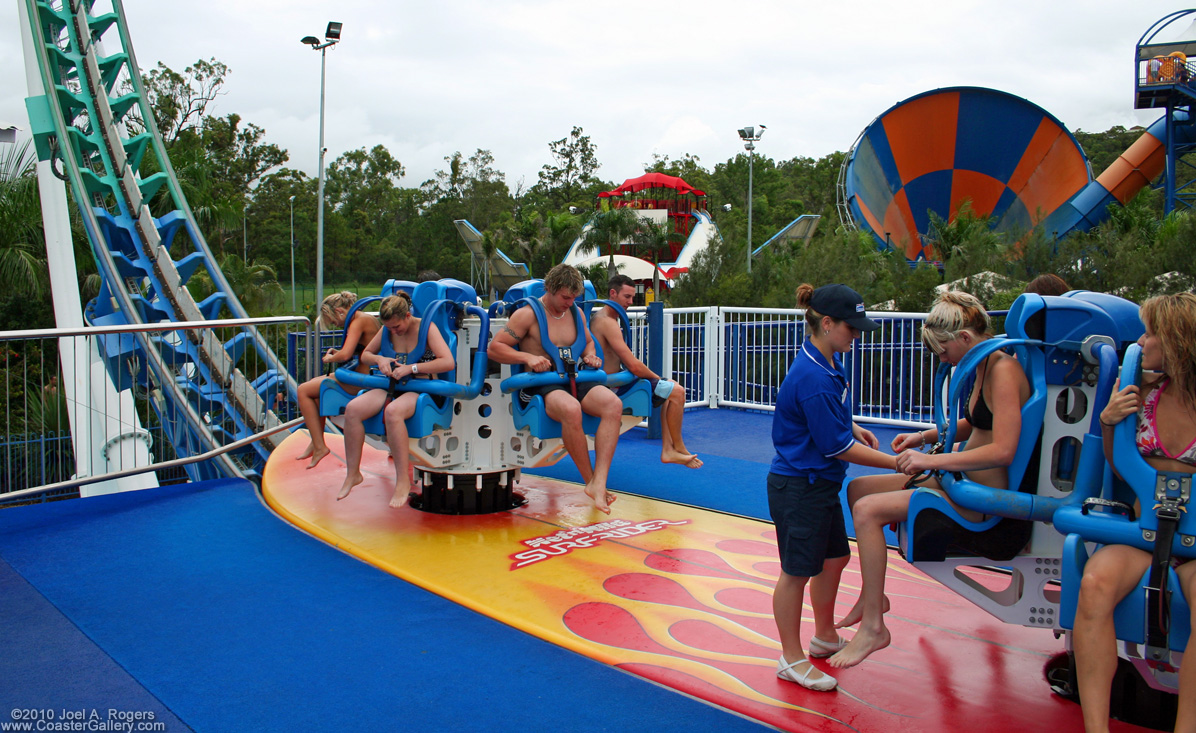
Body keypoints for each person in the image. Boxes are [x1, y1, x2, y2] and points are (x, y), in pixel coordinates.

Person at [828, 290, 1031, 669]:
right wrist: (925, 437)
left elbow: (1002, 447)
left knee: (870, 511)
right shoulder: (985, 365)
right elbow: (980, 422)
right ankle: (874, 596)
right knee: (857, 489)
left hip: (981, 498)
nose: (942, 360)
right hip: (959, 481)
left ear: (965, 339)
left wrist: (935, 461)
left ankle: (874, 626)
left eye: (942, 352)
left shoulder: (1003, 369)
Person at [1073, 293, 1196, 733]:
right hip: (1147, 534)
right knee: (1094, 584)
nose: (1141, 341)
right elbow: (1117, 460)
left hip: (1194, 545)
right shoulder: (1141, 393)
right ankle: (1095, 727)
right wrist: (1108, 422)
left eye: (1150, 333)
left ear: (1178, 339)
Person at [769, 283, 896, 692]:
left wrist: (851, 424)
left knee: (834, 559)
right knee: (796, 572)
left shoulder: (824, 361)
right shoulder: (814, 375)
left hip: (818, 485)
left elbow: (831, 422)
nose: (856, 336)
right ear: (826, 323)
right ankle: (790, 658)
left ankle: (824, 634)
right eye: (851, 328)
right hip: (799, 486)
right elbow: (838, 447)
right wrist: (900, 463)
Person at [488, 264, 623, 514]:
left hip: (573, 377)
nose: (569, 302)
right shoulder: (527, 314)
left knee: (613, 405)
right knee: (571, 409)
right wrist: (526, 359)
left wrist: (591, 356)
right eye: (565, 297)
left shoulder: (575, 313)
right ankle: (590, 480)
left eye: (573, 298)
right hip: (541, 384)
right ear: (549, 289)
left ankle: (599, 481)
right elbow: (495, 348)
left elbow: (588, 343)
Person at [336, 292, 455, 508]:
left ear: (407, 316)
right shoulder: (387, 329)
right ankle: (353, 474)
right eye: (389, 328)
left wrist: (413, 367)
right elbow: (366, 355)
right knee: (353, 409)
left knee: (393, 412)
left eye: (397, 327)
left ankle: (402, 482)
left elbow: (448, 362)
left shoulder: (426, 328)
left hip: (422, 389)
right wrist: (380, 358)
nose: (393, 332)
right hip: (394, 385)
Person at [591, 274, 702, 469]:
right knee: (677, 392)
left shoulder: (607, 318)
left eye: (632, 298)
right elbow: (633, 366)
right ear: (612, 293)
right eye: (627, 297)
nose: (630, 302)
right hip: (611, 387)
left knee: (673, 388)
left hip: (618, 381)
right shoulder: (606, 321)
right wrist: (657, 378)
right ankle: (679, 448)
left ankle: (669, 449)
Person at [295, 291, 381, 469]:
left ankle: (319, 446)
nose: (337, 324)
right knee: (316, 391)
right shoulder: (363, 318)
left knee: (303, 390)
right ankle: (317, 441)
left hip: (363, 380)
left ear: (340, 311)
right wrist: (337, 354)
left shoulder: (358, 321)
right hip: (362, 375)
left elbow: (346, 354)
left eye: (334, 321)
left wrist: (329, 358)